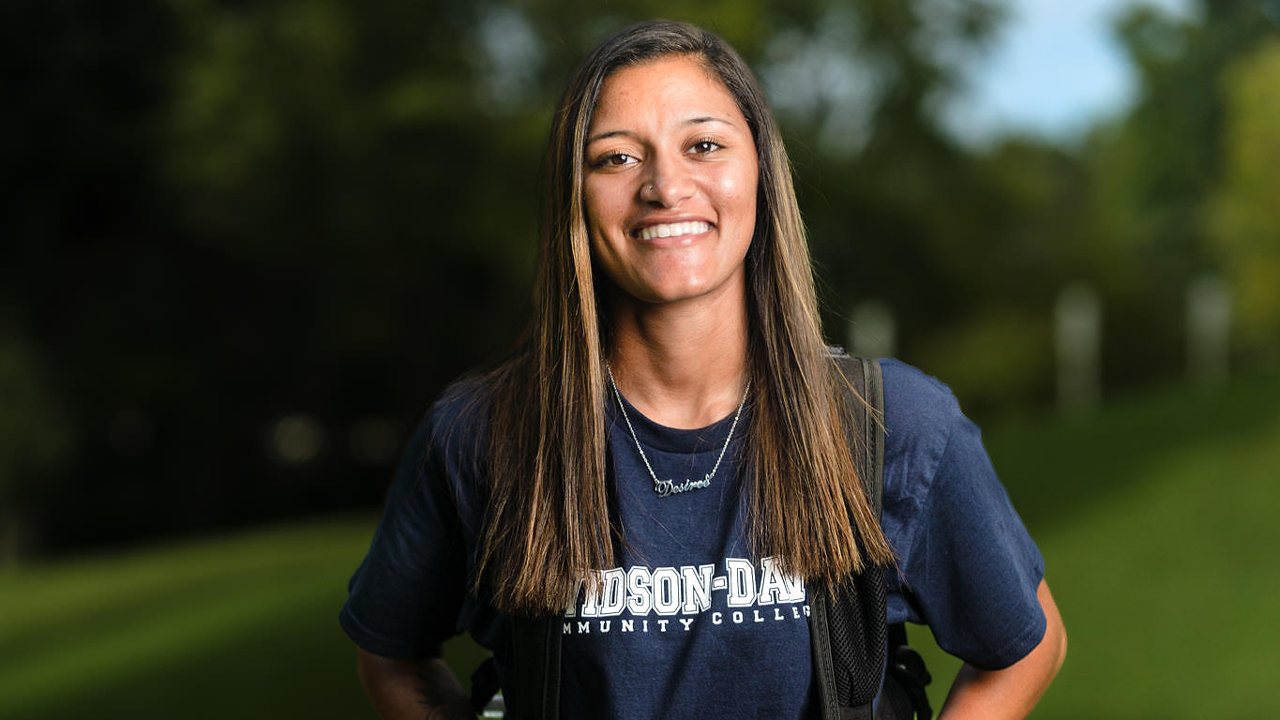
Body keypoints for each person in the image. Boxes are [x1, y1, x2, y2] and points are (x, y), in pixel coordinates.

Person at [341, 19, 1066, 720]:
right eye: (616, 157)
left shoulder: (891, 423)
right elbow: (393, 654)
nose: (665, 185)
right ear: (575, 194)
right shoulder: (481, 435)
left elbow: (1026, 646)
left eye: (704, 145)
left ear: (760, 172)